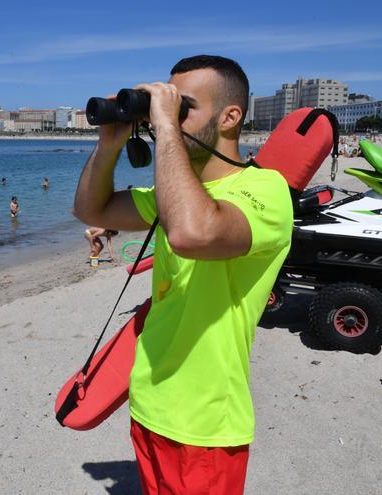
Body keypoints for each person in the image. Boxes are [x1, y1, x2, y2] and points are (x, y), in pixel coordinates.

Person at [73, 55, 292, 494]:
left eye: (182, 106)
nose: (164, 117)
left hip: (205, 425)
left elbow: (194, 232)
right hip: (150, 404)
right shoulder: (173, 195)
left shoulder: (265, 190)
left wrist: (168, 130)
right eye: (163, 106)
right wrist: (109, 144)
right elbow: (89, 210)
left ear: (231, 117)